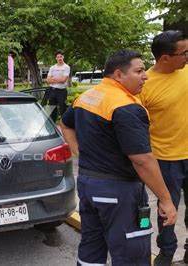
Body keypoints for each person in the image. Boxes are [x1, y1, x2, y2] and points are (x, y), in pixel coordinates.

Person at [61, 50, 177, 265]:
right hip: (119, 191)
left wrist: (81, 152)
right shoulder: (126, 107)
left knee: (92, 245)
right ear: (118, 74)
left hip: (88, 186)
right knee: (131, 251)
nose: (146, 76)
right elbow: (143, 160)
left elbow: (65, 124)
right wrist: (166, 199)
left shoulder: (86, 97)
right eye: (139, 70)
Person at [137, 30, 188, 265]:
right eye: (184, 52)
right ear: (165, 58)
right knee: (167, 212)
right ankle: (166, 255)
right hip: (166, 160)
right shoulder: (144, 85)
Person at [43, 49, 70, 122]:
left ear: (63, 57)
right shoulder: (53, 67)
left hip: (62, 91)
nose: (59, 58)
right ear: (56, 58)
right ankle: (53, 127)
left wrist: (53, 79)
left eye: (61, 56)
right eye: (58, 57)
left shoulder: (66, 67)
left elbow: (63, 80)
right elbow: (48, 80)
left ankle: (65, 126)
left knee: (62, 109)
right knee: (52, 110)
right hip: (52, 90)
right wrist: (57, 80)